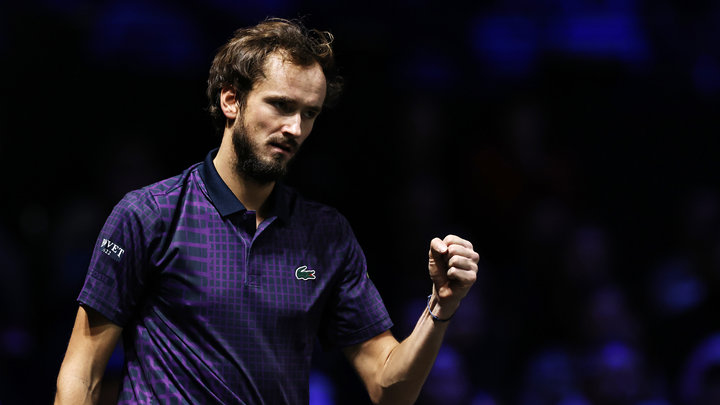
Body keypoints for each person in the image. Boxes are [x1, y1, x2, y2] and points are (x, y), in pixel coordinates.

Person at [55, 18, 479, 405]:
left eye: (309, 114)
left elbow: (389, 389)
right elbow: (82, 374)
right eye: (281, 105)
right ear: (231, 100)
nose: (295, 128)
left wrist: (440, 306)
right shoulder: (149, 215)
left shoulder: (326, 235)